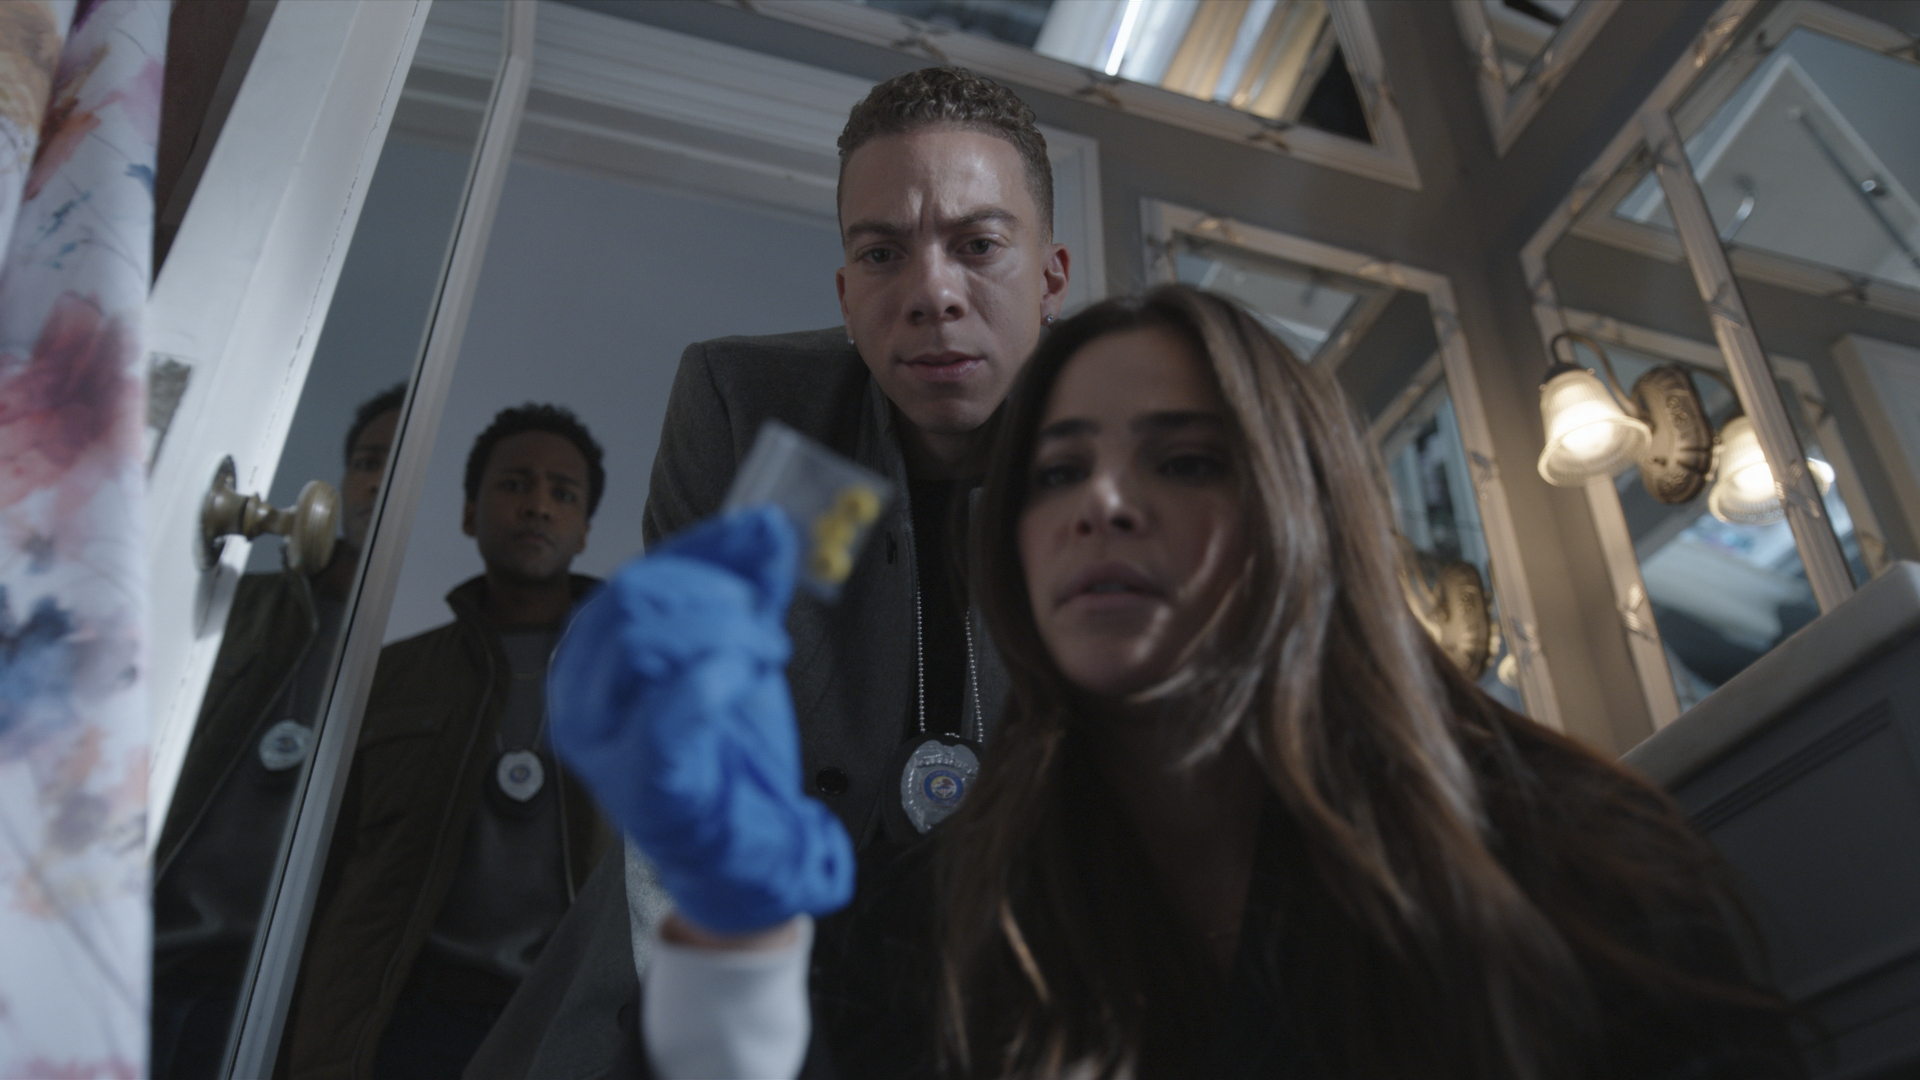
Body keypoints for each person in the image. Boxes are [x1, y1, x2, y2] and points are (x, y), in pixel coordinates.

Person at [553, 285, 1803, 1079]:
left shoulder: (1575, 867)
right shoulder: (931, 924)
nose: (1102, 504)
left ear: (1303, 511)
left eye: (1187, 460)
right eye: (1056, 472)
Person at [465, 66, 1071, 1078]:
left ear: (1051, 278)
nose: (931, 294)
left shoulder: (1114, 446)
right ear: (846, 292)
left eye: (978, 246)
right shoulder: (757, 412)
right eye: (882, 253)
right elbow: (688, 734)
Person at [287, 404, 616, 1080]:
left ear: (585, 530)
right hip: (405, 1027)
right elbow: (327, 872)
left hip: (561, 1030)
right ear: (469, 513)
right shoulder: (390, 677)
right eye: (515, 484)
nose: (538, 505)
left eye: (563, 494)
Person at [151, 382, 404, 1080]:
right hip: (146, 952)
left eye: (400, 461)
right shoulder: (238, 611)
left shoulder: (419, 661)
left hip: (271, 1004)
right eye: (367, 460)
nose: (378, 480)